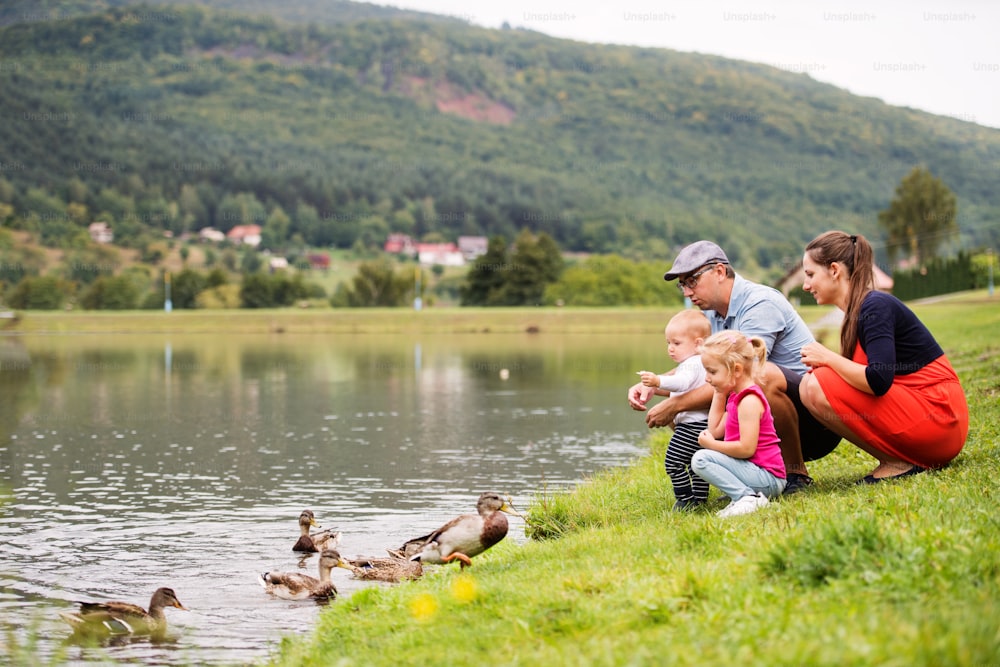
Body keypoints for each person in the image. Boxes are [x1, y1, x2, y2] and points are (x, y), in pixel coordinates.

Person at [627, 240, 841, 494]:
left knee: (760, 375)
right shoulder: (708, 316)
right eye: (682, 284)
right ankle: (722, 480)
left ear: (719, 272)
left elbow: (742, 375)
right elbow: (701, 370)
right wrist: (655, 385)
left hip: (815, 423)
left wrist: (676, 404)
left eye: (692, 280)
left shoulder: (759, 303)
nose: (686, 291)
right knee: (687, 399)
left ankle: (795, 473)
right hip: (764, 426)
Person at [798, 231, 969, 482]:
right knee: (810, 384)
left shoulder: (874, 306)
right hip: (927, 418)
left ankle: (898, 463)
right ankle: (894, 460)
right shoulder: (858, 312)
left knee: (816, 383)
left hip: (940, 418)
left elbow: (878, 380)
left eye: (810, 274)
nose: (805, 285)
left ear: (834, 270)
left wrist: (827, 357)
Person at [691, 331, 787, 517]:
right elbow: (715, 429)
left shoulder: (749, 401)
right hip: (755, 473)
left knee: (701, 459)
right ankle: (742, 496)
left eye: (712, 371)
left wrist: (712, 445)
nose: (706, 378)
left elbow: (746, 449)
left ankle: (746, 498)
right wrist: (719, 394)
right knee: (703, 456)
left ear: (736, 370)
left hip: (769, 478)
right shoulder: (736, 397)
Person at [637, 309, 712, 511]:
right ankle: (699, 499)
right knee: (695, 464)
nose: (671, 349)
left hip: (691, 426)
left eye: (677, 343)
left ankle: (685, 500)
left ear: (698, 344)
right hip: (703, 424)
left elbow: (681, 383)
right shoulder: (702, 362)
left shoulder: (690, 365)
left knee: (673, 461)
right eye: (668, 343)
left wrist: (656, 381)